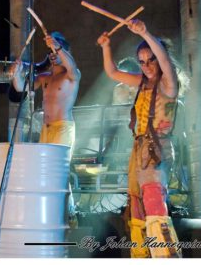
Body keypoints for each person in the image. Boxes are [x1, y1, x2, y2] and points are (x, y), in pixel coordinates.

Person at [97, 19, 188, 258]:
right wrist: (106, 46)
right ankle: (141, 256)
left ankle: (165, 256)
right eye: (142, 62)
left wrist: (146, 33)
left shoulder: (168, 85)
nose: (147, 66)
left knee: (153, 201)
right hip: (140, 149)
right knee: (136, 205)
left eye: (151, 60)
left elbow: (166, 63)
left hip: (157, 148)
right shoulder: (142, 83)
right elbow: (112, 72)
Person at [11, 31, 81, 225]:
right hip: (46, 129)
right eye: (51, 50)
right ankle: (50, 214)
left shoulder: (71, 75)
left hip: (63, 128)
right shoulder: (45, 77)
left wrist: (57, 46)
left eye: (56, 50)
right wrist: (16, 74)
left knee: (58, 171)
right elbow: (21, 88)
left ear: (64, 51)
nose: (52, 53)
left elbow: (72, 65)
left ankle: (69, 215)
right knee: (45, 171)